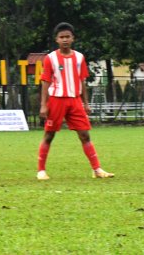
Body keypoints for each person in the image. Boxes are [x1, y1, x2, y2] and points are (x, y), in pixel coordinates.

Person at [36, 22, 114, 181]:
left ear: (73, 38)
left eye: (67, 37)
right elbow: (45, 81)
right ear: (56, 40)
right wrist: (43, 105)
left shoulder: (79, 58)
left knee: (85, 135)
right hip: (56, 100)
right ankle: (41, 171)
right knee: (49, 135)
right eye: (61, 37)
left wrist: (86, 103)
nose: (64, 39)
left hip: (75, 101)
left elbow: (82, 81)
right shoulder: (50, 58)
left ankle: (97, 169)